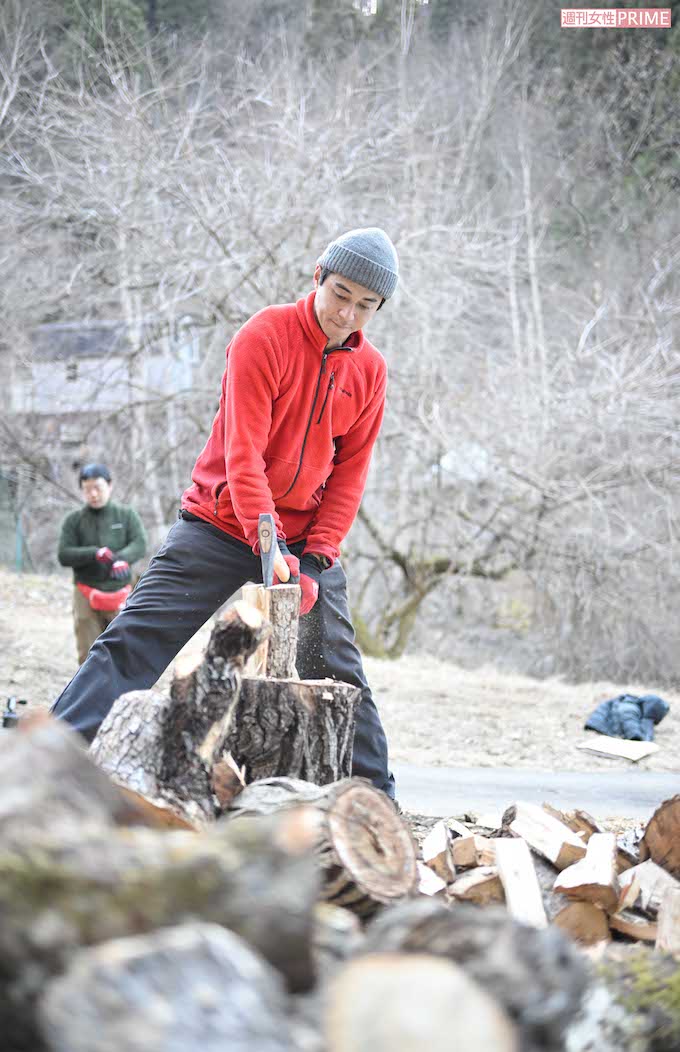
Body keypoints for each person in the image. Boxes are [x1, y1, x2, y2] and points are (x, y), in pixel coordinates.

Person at [52, 228, 398, 800]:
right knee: (135, 641)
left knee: (339, 669)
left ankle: (379, 802)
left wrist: (313, 560)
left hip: (303, 539)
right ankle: (49, 762)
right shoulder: (265, 335)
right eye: (341, 294)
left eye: (366, 305)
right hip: (220, 523)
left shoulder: (371, 371)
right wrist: (269, 549)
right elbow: (243, 455)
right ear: (318, 276)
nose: (347, 313)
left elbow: (350, 473)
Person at [57, 463, 148, 664]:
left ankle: (124, 694)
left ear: (110, 485)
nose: (93, 494)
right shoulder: (74, 520)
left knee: (124, 648)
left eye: (98, 487)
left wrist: (120, 559)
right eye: (87, 489)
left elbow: (140, 543)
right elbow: (64, 554)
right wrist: (94, 553)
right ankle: (91, 694)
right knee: (88, 653)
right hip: (86, 591)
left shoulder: (126, 515)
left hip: (121, 591)